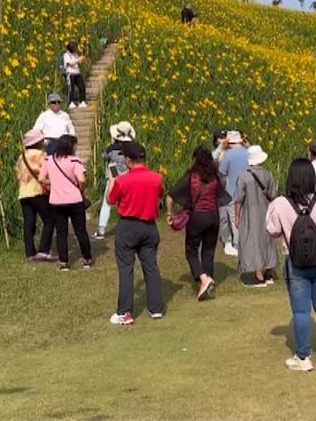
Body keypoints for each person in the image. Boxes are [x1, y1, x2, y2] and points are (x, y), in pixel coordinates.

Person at [266, 158, 316, 372]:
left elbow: (273, 231)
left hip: (294, 260)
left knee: (301, 311)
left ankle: (303, 356)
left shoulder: (279, 203)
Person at [106, 143, 165, 325]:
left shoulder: (123, 180)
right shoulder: (156, 177)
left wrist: (112, 180)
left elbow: (110, 200)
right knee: (151, 267)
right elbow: (160, 194)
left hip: (128, 225)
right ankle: (156, 308)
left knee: (126, 269)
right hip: (149, 226)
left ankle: (125, 312)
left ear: (128, 160)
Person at [167, 146, 231, 300]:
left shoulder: (192, 176)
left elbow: (170, 196)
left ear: (195, 159)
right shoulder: (215, 177)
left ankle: (203, 278)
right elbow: (222, 197)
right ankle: (208, 283)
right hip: (213, 217)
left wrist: (169, 213)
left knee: (191, 251)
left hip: (197, 217)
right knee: (208, 252)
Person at [37, 134, 93, 271]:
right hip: (75, 200)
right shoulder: (74, 161)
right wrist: (81, 189)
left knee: (61, 232)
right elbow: (82, 180)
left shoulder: (49, 160)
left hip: (56, 201)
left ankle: (63, 262)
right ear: (70, 147)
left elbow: (41, 178)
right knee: (81, 231)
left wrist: (52, 182)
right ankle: (87, 259)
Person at [234, 145, 278, 287]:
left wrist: (237, 216)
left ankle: (259, 277)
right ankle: (267, 272)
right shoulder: (268, 175)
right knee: (266, 241)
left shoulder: (243, 177)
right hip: (266, 212)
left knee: (252, 242)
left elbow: (239, 199)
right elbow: (273, 195)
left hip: (250, 213)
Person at [16, 129, 54, 262]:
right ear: (38, 142)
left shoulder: (22, 156)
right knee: (49, 220)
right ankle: (43, 250)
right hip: (38, 191)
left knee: (28, 223)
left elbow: (18, 175)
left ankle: (29, 252)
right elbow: (47, 172)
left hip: (23, 193)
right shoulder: (42, 155)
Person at [94, 121, 135, 240]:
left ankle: (101, 230)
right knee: (127, 203)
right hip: (128, 177)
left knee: (107, 203)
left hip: (113, 176)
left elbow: (104, 157)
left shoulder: (111, 149)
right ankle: (130, 229)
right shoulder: (132, 148)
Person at [218, 130, 249, 257]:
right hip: (248, 189)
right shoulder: (248, 152)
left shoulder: (228, 155)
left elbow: (222, 172)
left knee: (234, 218)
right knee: (246, 217)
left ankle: (237, 244)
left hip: (232, 190)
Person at [62, 41, 86, 109]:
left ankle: (82, 101)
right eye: (74, 47)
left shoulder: (75, 54)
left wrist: (83, 56)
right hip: (70, 74)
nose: (75, 49)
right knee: (71, 89)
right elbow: (70, 63)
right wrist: (78, 59)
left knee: (82, 87)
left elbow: (79, 62)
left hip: (77, 73)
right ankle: (71, 102)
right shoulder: (66, 55)